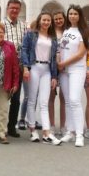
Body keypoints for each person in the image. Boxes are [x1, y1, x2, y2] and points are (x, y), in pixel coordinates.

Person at [21, 12, 60, 145]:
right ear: (39, 20)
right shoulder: (31, 34)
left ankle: (46, 133)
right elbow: (24, 49)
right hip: (34, 67)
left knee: (44, 102)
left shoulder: (53, 38)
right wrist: (26, 67)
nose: (46, 22)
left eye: (48, 20)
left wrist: (55, 76)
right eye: (44, 20)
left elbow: (54, 58)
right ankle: (32, 130)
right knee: (32, 100)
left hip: (47, 69)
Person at [57, 4, 89, 147]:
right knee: (68, 102)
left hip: (76, 69)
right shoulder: (66, 31)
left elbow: (80, 54)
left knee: (75, 100)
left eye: (75, 14)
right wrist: (59, 62)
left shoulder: (83, 32)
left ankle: (79, 134)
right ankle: (70, 132)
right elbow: (60, 49)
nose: (72, 16)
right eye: (70, 14)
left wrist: (64, 63)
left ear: (80, 16)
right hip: (64, 71)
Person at [3, 0, 27, 138]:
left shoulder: (23, 26)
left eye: (17, 9)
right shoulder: (0, 25)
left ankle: (11, 126)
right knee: (1, 98)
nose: (14, 11)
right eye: (12, 8)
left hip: (18, 65)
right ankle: (0, 126)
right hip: (4, 65)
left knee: (16, 98)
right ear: (7, 8)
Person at [48, 10, 67, 135]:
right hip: (51, 67)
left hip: (65, 67)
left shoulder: (67, 33)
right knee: (51, 97)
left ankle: (63, 126)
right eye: (56, 19)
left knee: (64, 98)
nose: (58, 21)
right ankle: (51, 125)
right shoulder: (50, 33)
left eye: (60, 18)